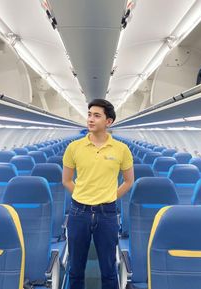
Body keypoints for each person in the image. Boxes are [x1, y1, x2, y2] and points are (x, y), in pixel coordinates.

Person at [62, 99, 134, 289]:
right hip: (78, 212)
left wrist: (110, 196)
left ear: (108, 121)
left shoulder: (121, 149)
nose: (90, 119)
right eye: (89, 114)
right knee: (75, 269)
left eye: (96, 115)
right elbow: (66, 180)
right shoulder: (74, 147)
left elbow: (128, 181)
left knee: (109, 270)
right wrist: (83, 196)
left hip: (107, 213)